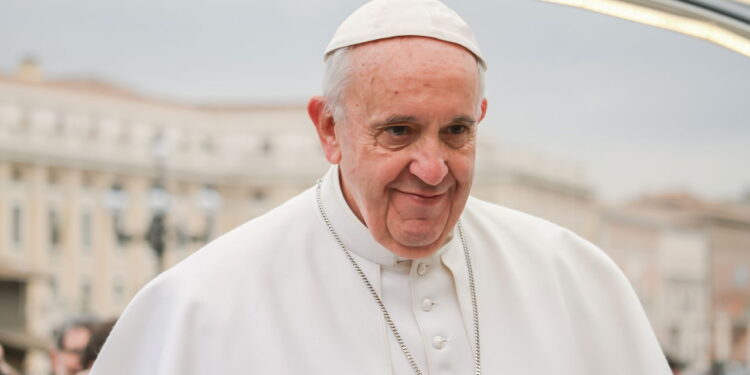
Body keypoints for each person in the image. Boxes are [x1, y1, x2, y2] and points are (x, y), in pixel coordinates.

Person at [92, 0, 671, 374]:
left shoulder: (575, 279)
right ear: (329, 129)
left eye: (456, 132)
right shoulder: (202, 304)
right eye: (399, 132)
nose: (433, 167)